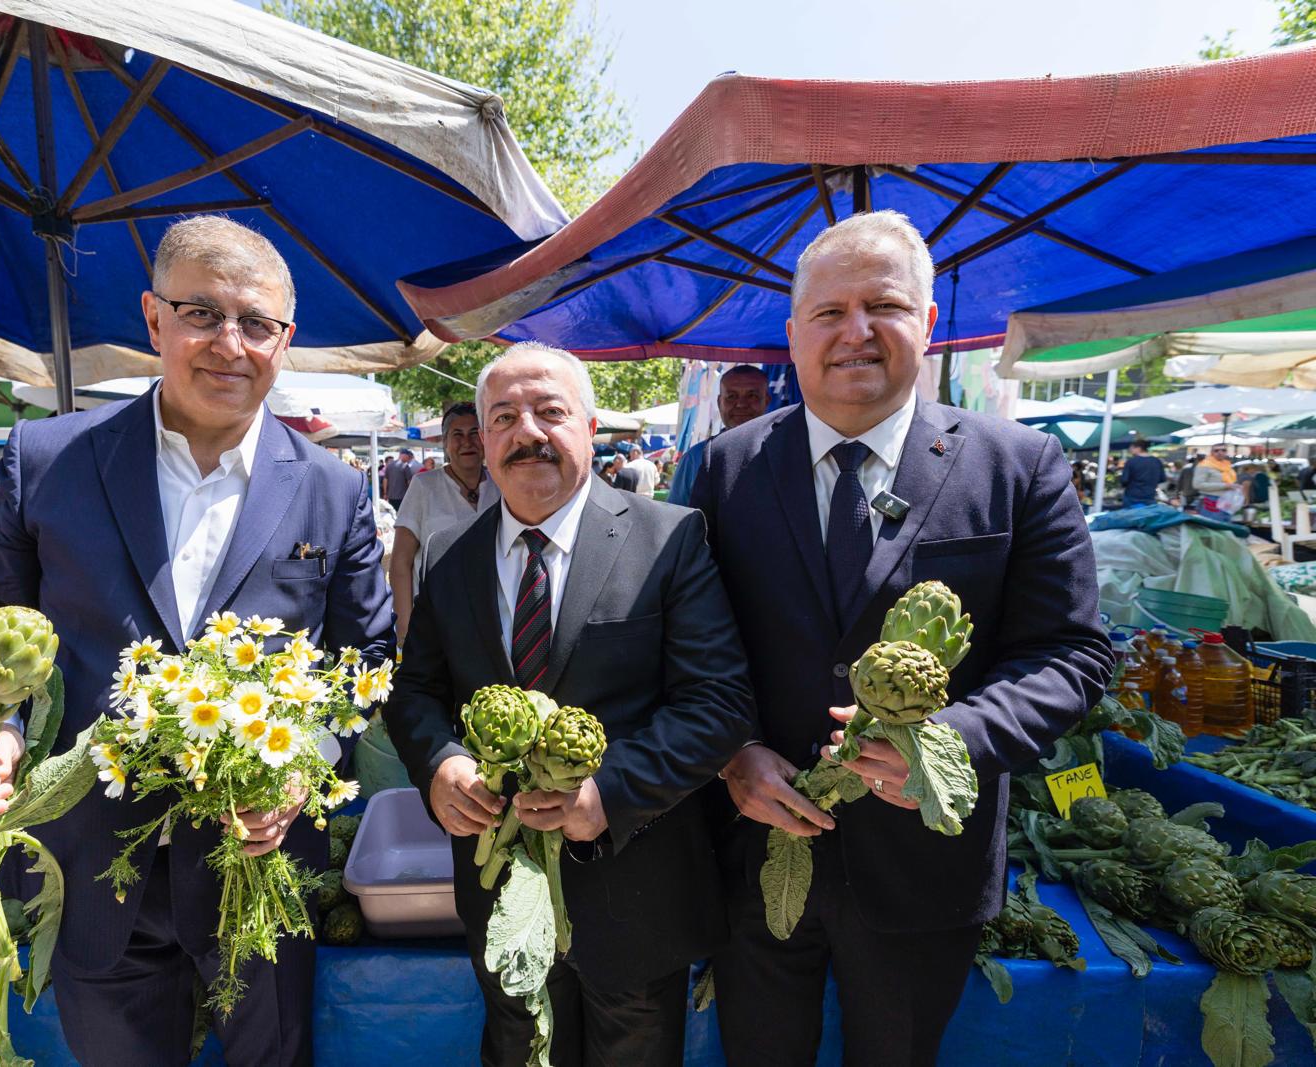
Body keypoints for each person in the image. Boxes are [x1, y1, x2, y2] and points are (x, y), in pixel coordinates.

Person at [0, 216, 393, 1065]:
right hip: (90, 866)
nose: (230, 343)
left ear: (285, 341)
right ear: (153, 317)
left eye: (257, 324)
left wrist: (303, 763)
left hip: (258, 866)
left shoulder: (335, 491)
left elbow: (362, 662)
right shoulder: (47, 458)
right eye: (201, 313)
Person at [691, 211, 1112, 1067]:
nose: (855, 333)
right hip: (757, 850)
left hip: (925, 871)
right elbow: (690, 645)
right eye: (829, 312)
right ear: (793, 334)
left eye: (882, 306)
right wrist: (733, 752)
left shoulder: (1018, 466)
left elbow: (1072, 651)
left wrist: (948, 744)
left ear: (924, 324)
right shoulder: (722, 469)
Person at [386, 342, 755, 1067]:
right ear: (483, 441)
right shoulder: (452, 556)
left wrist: (608, 792)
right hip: (499, 895)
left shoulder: (667, 537)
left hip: (635, 893)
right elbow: (416, 691)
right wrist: (438, 762)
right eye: (504, 417)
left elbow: (719, 701)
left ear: (589, 425)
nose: (528, 432)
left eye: (550, 411)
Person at [389, 401, 500, 642]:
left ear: (485, 439)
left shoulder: (502, 485)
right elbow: (400, 562)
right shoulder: (424, 486)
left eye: (474, 433)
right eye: (457, 435)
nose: (467, 442)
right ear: (446, 443)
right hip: (434, 622)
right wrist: (406, 629)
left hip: (494, 620)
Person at [666, 365, 771, 505]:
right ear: (719, 402)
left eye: (752, 396)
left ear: (767, 401)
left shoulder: (785, 454)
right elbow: (677, 516)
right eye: (731, 396)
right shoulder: (695, 458)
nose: (741, 404)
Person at [1120, 437, 1166, 507]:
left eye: (1131, 448)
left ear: (1138, 448)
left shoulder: (1131, 461)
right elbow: (1162, 479)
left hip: (1132, 497)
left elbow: (1124, 480)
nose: (1130, 450)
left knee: (1131, 517)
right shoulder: (1157, 461)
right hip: (1150, 496)